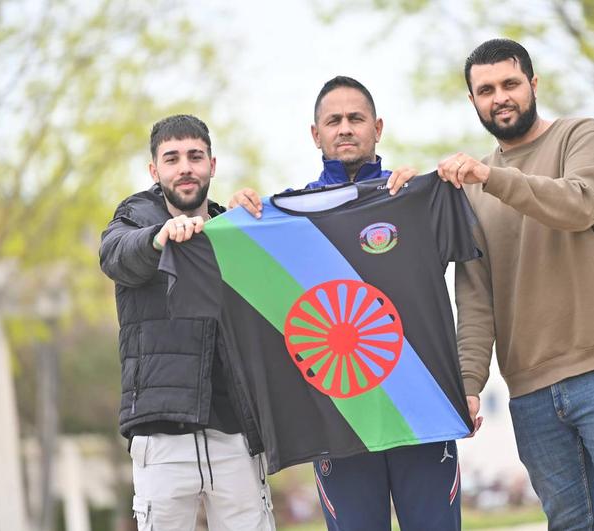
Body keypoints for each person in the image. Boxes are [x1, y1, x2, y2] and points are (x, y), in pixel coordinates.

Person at [438, 38, 594, 530]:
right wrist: (470, 383)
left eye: (510, 84)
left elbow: (577, 205)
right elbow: (476, 297)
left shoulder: (584, 138)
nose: (499, 97)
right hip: (531, 390)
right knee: (567, 526)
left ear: (533, 85)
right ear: (473, 100)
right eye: (485, 90)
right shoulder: (473, 192)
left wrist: (491, 178)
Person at [229, 76, 465, 531]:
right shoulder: (283, 222)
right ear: (315, 135)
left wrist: (437, 186)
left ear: (378, 127)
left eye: (356, 118)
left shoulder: (413, 196)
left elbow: (475, 278)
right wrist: (234, 219)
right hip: (337, 423)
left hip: (422, 410)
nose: (345, 128)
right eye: (333, 120)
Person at [99, 114, 275, 530]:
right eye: (172, 158)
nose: (185, 168)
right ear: (154, 170)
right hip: (161, 437)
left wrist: (254, 221)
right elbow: (115, 255)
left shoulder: (234, 226)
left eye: (195, 157)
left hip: (235, 434)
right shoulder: (134, 219)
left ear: (212, 165)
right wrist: (161, 236)